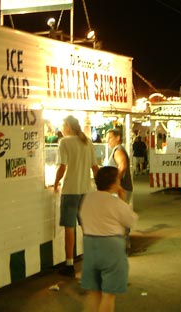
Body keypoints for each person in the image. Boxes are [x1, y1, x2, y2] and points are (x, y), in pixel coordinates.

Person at [79, 166, 138, 312]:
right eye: (118, 179)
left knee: (93, 292)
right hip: (111, 247)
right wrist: (123, 200)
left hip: (89, 245)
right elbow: (131, 222)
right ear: (113, 183)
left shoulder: (87, 198)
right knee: (108, 294)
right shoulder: (115, 203)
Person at [54, 115, 99, 277]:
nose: (61, 128)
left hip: (70, 191)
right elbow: (95, 167)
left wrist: (55, 183)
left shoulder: (64, 142)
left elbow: (62, 167)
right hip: (86, 191)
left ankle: (69, 264)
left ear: (68, 126)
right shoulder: (87, 142)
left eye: (62, 125)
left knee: (70, 228)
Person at [106, 128, 133, 203]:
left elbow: (122, 166)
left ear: (118, 138)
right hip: (120, 189)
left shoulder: (118, 150)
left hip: (120, 189)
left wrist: (115, 183)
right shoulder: (118, 149)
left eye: (110, 138)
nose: (108, 141)